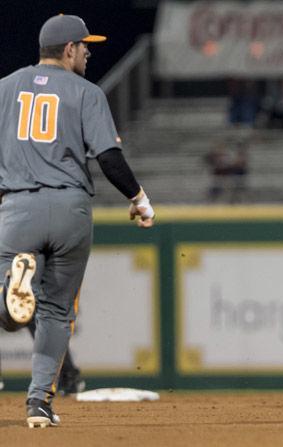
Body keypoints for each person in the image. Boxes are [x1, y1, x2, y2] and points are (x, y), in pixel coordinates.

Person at [0, 14, 155, 428]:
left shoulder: (5, 88)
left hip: (18, 208)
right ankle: (38, 403)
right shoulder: (86, 92)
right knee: (56, 311)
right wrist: (139, 199)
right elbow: (108, 158)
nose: (88, 51)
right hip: (71, 209)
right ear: (68, 49)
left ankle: (8, 298)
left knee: (8, 301)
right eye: (85, 45)